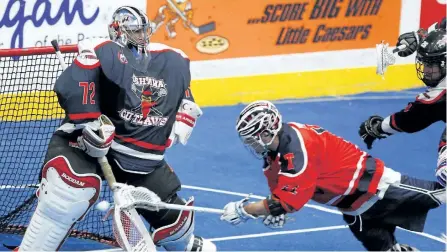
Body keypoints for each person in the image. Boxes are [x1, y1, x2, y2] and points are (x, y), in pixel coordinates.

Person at [18, 6, 215, 251]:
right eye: (133, 31)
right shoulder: (100, 50)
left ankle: (185, 245)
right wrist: (89, 123)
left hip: (139, 155)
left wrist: (186, 109)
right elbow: (74, 85)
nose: (140, 37)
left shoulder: (170, 59)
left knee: (175, 220)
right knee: (66, 196)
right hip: (88, 146)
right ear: (117, 30)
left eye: (143, 31)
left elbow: (182, 91)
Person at [220, 100, 445, 251]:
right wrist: (272, 211)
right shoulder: (272, 156)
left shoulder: (297, 149)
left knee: (442, 194)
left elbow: (287, 202)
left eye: (252, 138)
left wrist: (246, 210)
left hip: (379, 189)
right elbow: (280, 196)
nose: (250, 144)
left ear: (269, 131)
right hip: (354, 209)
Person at [359, 19, 446, 187]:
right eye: (425, 64)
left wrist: (378, 128)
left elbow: (410, 120)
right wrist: (422, 35)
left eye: (432, 65)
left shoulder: (439, 94)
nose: (427, 71)